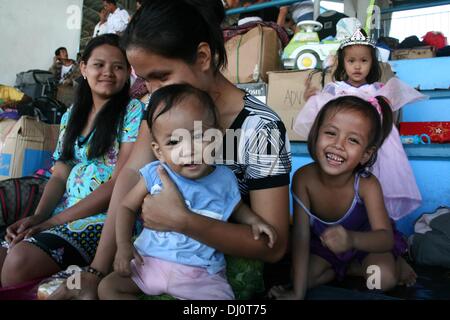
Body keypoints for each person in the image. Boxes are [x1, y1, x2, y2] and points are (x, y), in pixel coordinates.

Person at [50, 0, 291, 300]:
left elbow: (274, 245)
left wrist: (184, 221)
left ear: (203, 57)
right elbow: (127, 179)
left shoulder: (260, 128)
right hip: (156, 264)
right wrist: (97, 271)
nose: (153, 92)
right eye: (145, 80)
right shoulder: (160, 111)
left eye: (162, 76)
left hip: (217, 280)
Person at [98, 84, 277, 300]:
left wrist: (255, 221)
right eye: (173, 142)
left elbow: (236, 207)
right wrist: (124, 245)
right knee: (108, 288)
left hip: (200, 272)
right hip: (149, 262)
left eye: (199, 137)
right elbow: (126, 207)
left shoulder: (224, 178)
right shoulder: (155, 173)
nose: (189, 150)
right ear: (159, 151)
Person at [0, 34, 144, 287]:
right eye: (99, 65)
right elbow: (59, 174)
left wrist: (51, 223)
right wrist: (38, 216)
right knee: (4, 252)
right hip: (63, 210)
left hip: (106, 217)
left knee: (19, 260)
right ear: (84, 68)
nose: (108, 73)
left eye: (118, 67)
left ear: (128, 72)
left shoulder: (132, 111)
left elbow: (120, 182)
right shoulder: (71, 115)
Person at [269, 96, 417, 300]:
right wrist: (297, 293)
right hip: (327, 246)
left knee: (379, 281)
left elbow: (384, 238)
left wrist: (352, 239)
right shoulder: (303, 179)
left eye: (353, 140)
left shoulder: (366, 184)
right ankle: (348, 268)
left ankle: (394, 262)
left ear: (365, 154)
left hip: (366, 245)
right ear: (315, 134)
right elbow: (301, 236)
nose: (338, 145)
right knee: (299, 278)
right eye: (330, 133)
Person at [294, 28, 426, 221]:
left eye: (364, 61)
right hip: (346, 145)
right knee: (347, 188)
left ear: (372, 63)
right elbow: (323, 114)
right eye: (351, 61)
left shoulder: (378, 90)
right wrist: (311, 99)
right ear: (343, 63)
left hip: (375, 146)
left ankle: (374, 220)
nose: (357, 66)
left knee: (374, 188)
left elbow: (389, 117)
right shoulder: (336, 90)